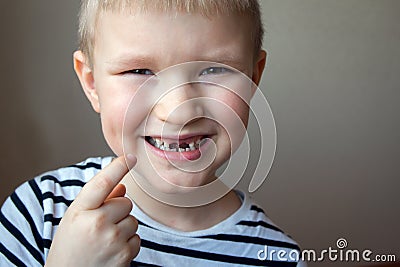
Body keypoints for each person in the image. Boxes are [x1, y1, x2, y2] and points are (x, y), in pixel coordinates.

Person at [0, 0, 305, 266]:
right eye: (140, 71)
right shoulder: (38, 214)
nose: (180, 110)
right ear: (92, 84)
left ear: (253, 77)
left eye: (213, 69)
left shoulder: (279, 257)